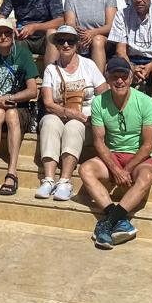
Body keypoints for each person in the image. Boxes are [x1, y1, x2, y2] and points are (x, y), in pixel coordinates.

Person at [79, 56, 152, 249]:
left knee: (147, 175)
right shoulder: (99, 102)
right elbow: (99, 141)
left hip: (139, 157)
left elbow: (148, 145)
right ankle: (118, 218)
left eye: (123, 76)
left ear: (131, 78)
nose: (119, 80)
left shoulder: (145, 102)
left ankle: (107, 223)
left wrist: (126, 169)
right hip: (112, 153)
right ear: (107, 79)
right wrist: (115, 169)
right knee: (85, 170)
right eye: (114, 76)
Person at [37, 24, 107, 202]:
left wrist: (94, 118)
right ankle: (49, 178)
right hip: (61, 115)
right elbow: (48, 103)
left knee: (74, 126)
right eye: (61, 41)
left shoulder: (89, 65)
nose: (66, 44)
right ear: (57, 45)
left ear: (77, 44)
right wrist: (69, 112)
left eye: (71, 41)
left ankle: (65, 180)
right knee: (48, 122)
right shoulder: (51, 70)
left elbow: (104, 94)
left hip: (86, 120)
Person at [0, 16, 40, 197]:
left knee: (11, 113)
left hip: (18, 106)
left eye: (7, 33)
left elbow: (32, 91)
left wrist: (9, 97)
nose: (3, 36)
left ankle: (12, 170)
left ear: (12, 35)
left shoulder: (23, 54)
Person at [64, 0, 118, 71]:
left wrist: (93, 33)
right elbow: (70, 22)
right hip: (80, 37)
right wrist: (84, 35)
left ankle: (99, 82)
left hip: (103, 39)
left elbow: (111, 25)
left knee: (97, 40)